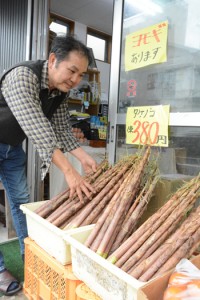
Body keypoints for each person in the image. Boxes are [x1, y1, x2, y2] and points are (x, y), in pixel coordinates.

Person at [0, 34, 98, 296]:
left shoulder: (60, 91)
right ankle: (0, 270)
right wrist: (69, 171)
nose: (75, 80)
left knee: (22, 202)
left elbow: (61, 129)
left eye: (81, 75)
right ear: (53, 59)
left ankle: (28, 254)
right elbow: (39, 129)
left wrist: (83, 158)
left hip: (11, 149)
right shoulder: (23, 76)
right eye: (72, 71)